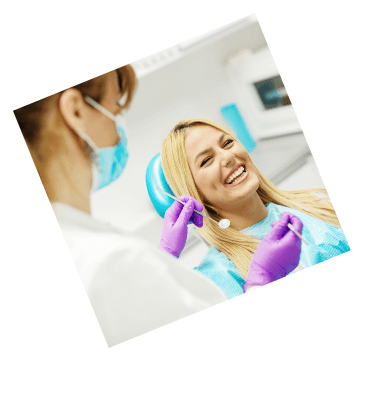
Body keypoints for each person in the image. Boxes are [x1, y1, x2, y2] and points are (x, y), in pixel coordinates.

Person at [14, 66, 303, 346]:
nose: (117, 133)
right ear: (76, 111)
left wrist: (164, 255)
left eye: (227, 143)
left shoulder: (84, 244)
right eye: (116, 109)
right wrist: (260, 285)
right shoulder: (108, 263)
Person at [161, 118, 351, 299]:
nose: (228, 156)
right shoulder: (218, 278)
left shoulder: (319, 201)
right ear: (194, 192)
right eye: (206, 160)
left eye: (227, 143)